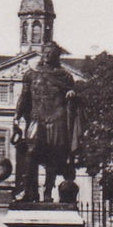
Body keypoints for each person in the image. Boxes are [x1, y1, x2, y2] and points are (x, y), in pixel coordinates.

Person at [12, 41, 83, 203]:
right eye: (46, 52)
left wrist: (72, 94)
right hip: (36, 117)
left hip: (57, 118)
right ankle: (30, 191)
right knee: (31, 154)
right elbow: (24, 97)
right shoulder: (30, 74)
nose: (48, 55)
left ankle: (48, 193)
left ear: (57, 56)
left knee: (53, 156)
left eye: (51, 53)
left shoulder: (65, 76)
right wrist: (17, 115)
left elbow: (72, 97)